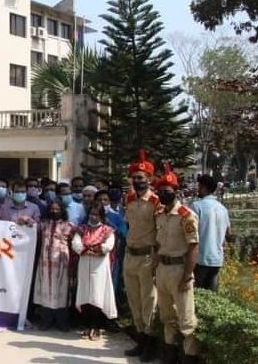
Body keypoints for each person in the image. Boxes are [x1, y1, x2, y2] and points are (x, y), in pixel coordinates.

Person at [153, 166, 200, 364]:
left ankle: (189, 357)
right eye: (160, 191)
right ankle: (169, 355)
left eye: (167, 190)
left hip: (179, 270)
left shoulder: (186, 215)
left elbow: (193, 247)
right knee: (167, 316)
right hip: (163, 270)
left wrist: (187, 276)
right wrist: (155, 270)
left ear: (176, 191)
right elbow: (158, 245)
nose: (163, 194)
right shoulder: (160, 214)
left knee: (186, 320)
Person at [123, 149, 160, 361]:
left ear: (150, 179)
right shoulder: (129, 199)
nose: (137, 181)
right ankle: (140, 341)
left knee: (149, 302)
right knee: (134, 301)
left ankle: (150, 344)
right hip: (130, 256)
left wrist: (156, 260)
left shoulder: (156, 202)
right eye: (135, 178)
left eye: (141, 178)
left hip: (147, 258)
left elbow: (161, 232)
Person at [73, 202, 117, 341]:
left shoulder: (107, 230)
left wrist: (95, 249)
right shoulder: (82, 229)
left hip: (100, 266)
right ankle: (86, 325)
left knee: (97, 295)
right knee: (85, 293)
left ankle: (96, 327)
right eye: (92, 214)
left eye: (97, 215)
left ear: (101, 216)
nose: (94, 217)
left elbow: (108, 245)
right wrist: (86, 249)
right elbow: (76, 244)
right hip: (84, 264)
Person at [33, 200, 75, 332]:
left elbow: (75, 244)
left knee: (61, 292)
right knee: (45, 291)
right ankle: (46, 321)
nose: (54, 211)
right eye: (52, 209)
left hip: (62, 265)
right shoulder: (43, 224)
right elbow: (30, 228)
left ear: (62, 210)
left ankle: (62, 322)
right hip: (44, 264)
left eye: (57, 209)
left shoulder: (69, 226)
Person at [191, 174, 231, 291]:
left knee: (197, 294)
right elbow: (229, 233)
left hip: (200, 259)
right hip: (217, 260)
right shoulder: (223, 209)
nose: (197, 189)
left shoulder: (196, 206)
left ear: (204, 187)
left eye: (199, 186)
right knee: (212, 296)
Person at [95, 190, 128, 301]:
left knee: (110, 284)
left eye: (105, 200)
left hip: (113, 256)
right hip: (94, 256)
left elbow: (124, 233)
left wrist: (110, 223)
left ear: (110, 202)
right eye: (99, 200)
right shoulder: (90, 217)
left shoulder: (117, 217)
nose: (102, 202)